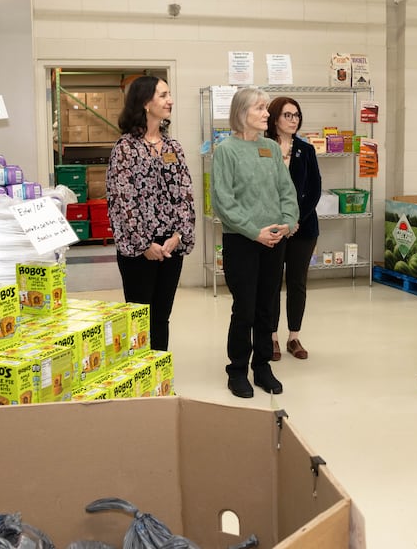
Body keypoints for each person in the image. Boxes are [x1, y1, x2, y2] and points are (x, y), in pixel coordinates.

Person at [212, 87, 299, 398]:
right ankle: (237, 369)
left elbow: (286, 191)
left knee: (267, 306)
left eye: (266, 108)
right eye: (260, 109)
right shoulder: (226, 151)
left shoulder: (271, 149)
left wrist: (286, 223)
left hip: (274, 240)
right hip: (243, 242)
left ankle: (262, 366)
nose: (267, 114)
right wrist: (255, 231)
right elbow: (224, 202)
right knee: (245, 308)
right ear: (241, 113)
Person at [106, 75, 195, 351]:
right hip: (138, 249)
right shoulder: (125, 148)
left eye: (169, 95)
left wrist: (178, 235)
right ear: (145, 103)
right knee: (139, 319)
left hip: (171, 247)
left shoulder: (173, 147)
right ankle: (140, 381)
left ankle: (159, 378)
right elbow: (121, 201)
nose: (170, 100)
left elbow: (185, 194)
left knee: (161, 318)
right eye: (163, 95)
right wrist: (144, 244)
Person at [265, 96, 322, 361]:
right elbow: (260, 190)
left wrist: (295, 219)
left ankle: (294, 337)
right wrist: (281, 222)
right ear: (274, 117)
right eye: (287, 115)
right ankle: (272, 337)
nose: (293, 120)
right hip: (272, 228)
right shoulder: (262, 148)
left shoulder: (305, 150)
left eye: (296, 115)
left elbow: (314, 189)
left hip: (303, 227)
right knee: (272, 281)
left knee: (297, 282)